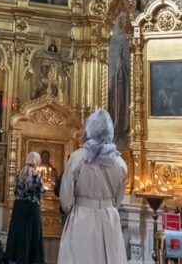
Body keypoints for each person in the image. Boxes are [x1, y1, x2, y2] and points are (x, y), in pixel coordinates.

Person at [57, 109, 127, 264]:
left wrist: (73, 207)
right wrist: (105, 205)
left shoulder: (78, 158)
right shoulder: (120, 163)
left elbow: (66, 198)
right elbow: (118, 199)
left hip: (83, 218)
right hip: (109, 219)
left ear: (88, 129)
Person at [5, 151, 44, 264]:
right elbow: (40, 191)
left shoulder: (18, 173)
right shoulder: (36, 175)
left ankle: (15, 259)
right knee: (32, 234)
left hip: (19, 207)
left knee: (18, 233)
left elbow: (15, 190)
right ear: (35, 161)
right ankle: (31, 260)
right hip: (32, 208)